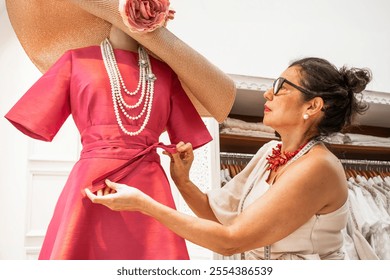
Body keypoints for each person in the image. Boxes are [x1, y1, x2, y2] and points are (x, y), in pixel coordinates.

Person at [4, 0, 236, 259]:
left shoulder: (164, 74)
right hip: (93, 183)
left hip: (149, 185)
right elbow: (37, 114)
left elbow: (186, 138)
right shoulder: (75, 61)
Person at [85, 57, 372, 260]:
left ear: (313, 105)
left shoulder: (318, 167)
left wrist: (143, 205)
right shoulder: (268, 153)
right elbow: (219, 216)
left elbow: (232, 241)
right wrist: (182, 181)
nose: (267, 92)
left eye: (282, 86)